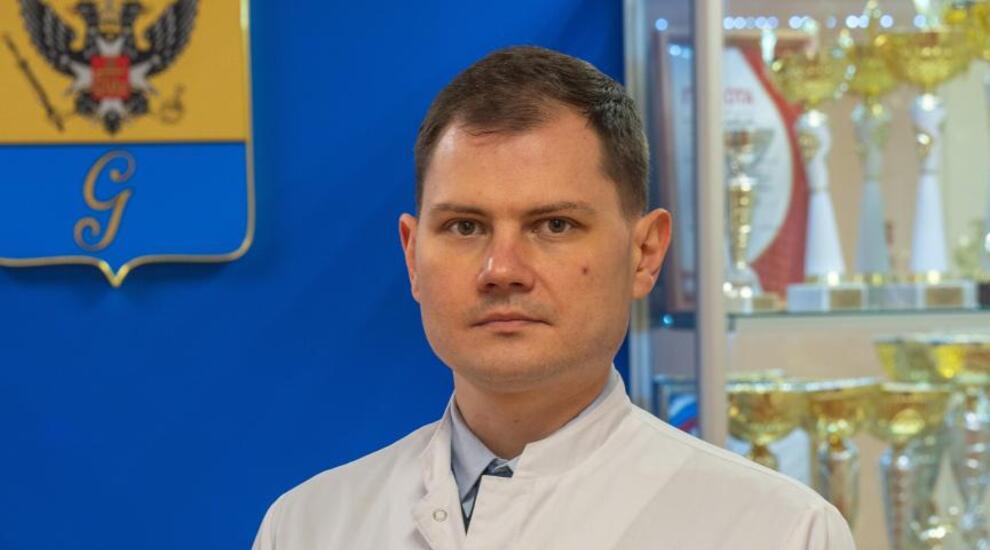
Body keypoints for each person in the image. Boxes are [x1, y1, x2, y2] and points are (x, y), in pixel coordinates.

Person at [252, 46, 855, 550]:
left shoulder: (777, 532)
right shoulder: (308, 527)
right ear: (412, 256)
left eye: (554, 225)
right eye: (465, 226)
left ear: (644, 254)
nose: (501, 270)